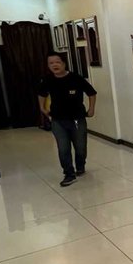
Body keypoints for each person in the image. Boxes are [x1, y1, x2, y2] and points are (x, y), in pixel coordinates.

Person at [38, 53, 97, 187]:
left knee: (80, 147)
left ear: (64, 63)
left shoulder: (76, 78)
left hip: (77, 119)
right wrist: (42, 107)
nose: (54, 65)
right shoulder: (47, 80)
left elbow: (92, 93)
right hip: (58, 120)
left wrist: (91, 109)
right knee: (63, 148)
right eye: (51, 63)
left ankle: (80, 167)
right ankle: (69, 174)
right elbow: (41, 94)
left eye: (57, 62)